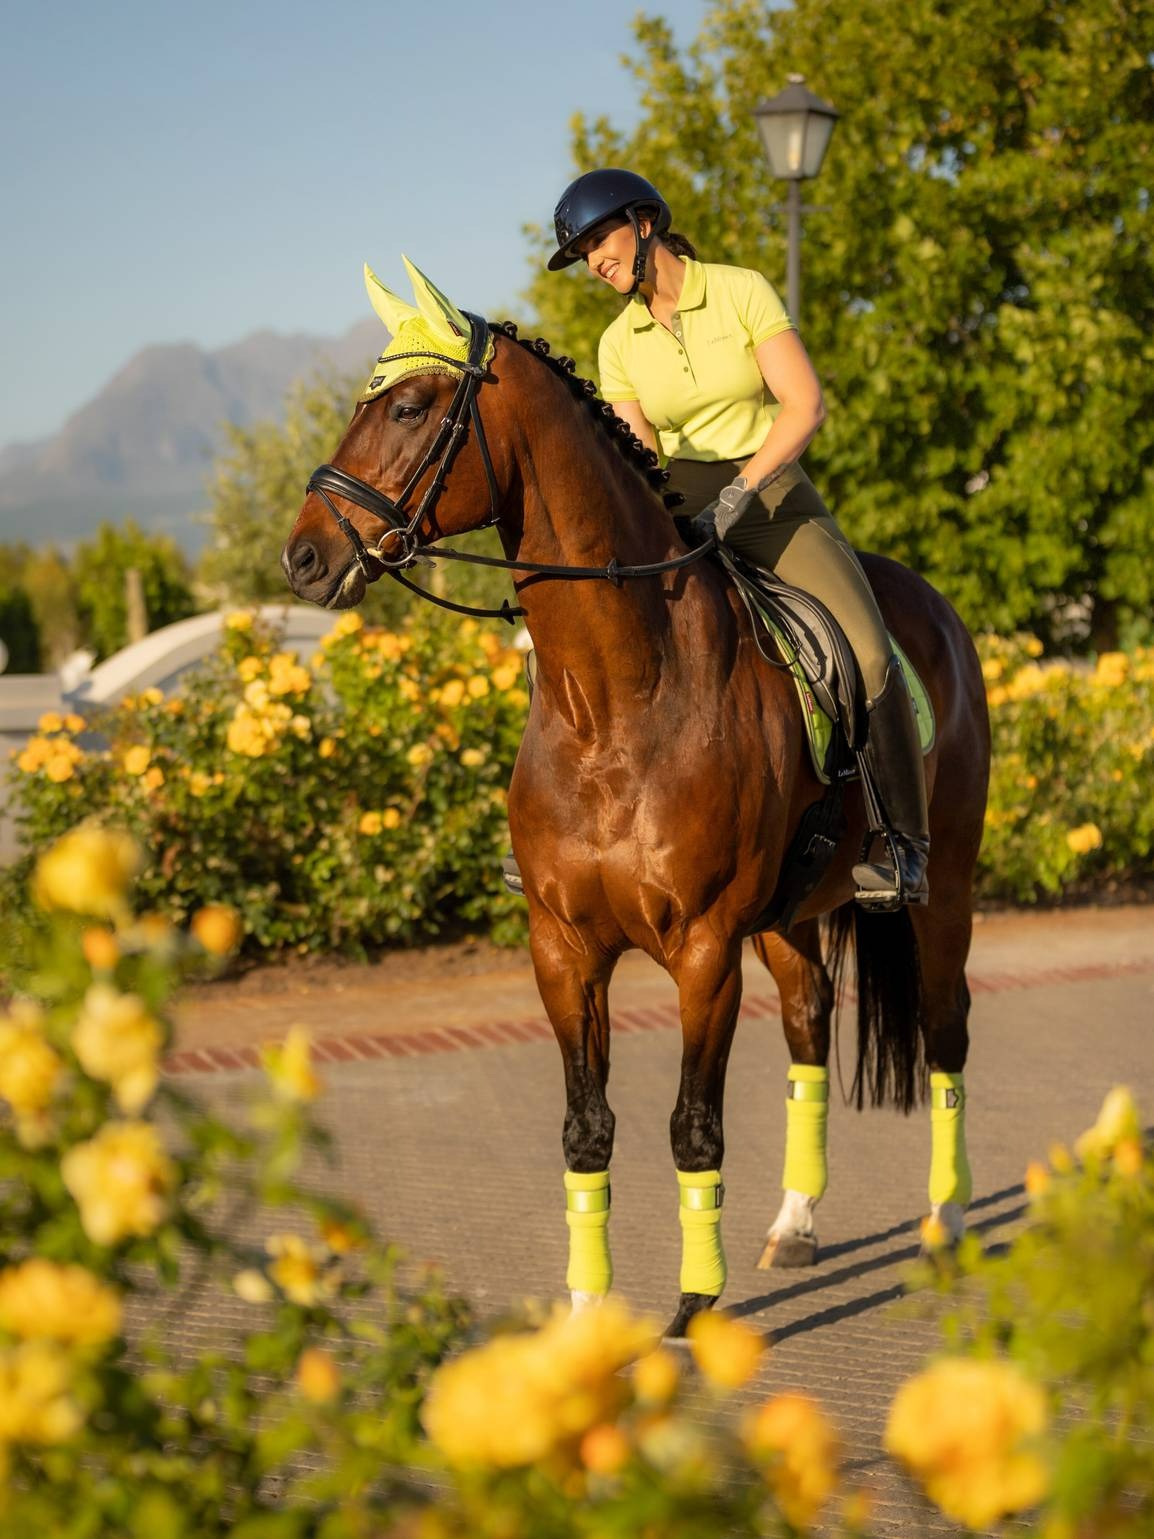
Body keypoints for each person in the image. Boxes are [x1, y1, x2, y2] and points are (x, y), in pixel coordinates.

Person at [515, 168, 929, 908]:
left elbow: (803, 406)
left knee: (865, 650)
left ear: (645, 223)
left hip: (772, 495)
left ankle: (900, 842)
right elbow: (640, 459)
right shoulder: (618, 343)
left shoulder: (740, 290)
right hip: (683, 504)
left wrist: (741, 492)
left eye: (598, 241)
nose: (593, 261)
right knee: (579, 639)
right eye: (581, 254)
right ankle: (550, 826)